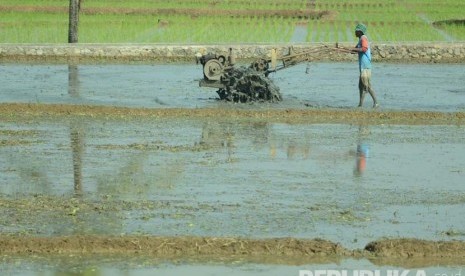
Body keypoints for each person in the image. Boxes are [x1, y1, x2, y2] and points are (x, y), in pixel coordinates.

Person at [351, 23, 379, 108]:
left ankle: (376, 103)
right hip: (362, 66)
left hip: (366, 66)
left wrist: (354, 49)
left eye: (356, 31)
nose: (355, 32)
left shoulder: (364, 38)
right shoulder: (360, 39)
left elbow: (364, 49)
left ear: (360, 31)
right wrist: (352, 50)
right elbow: (355, 49)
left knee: (367, 85)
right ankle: (360, 104)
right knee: (361, 86)